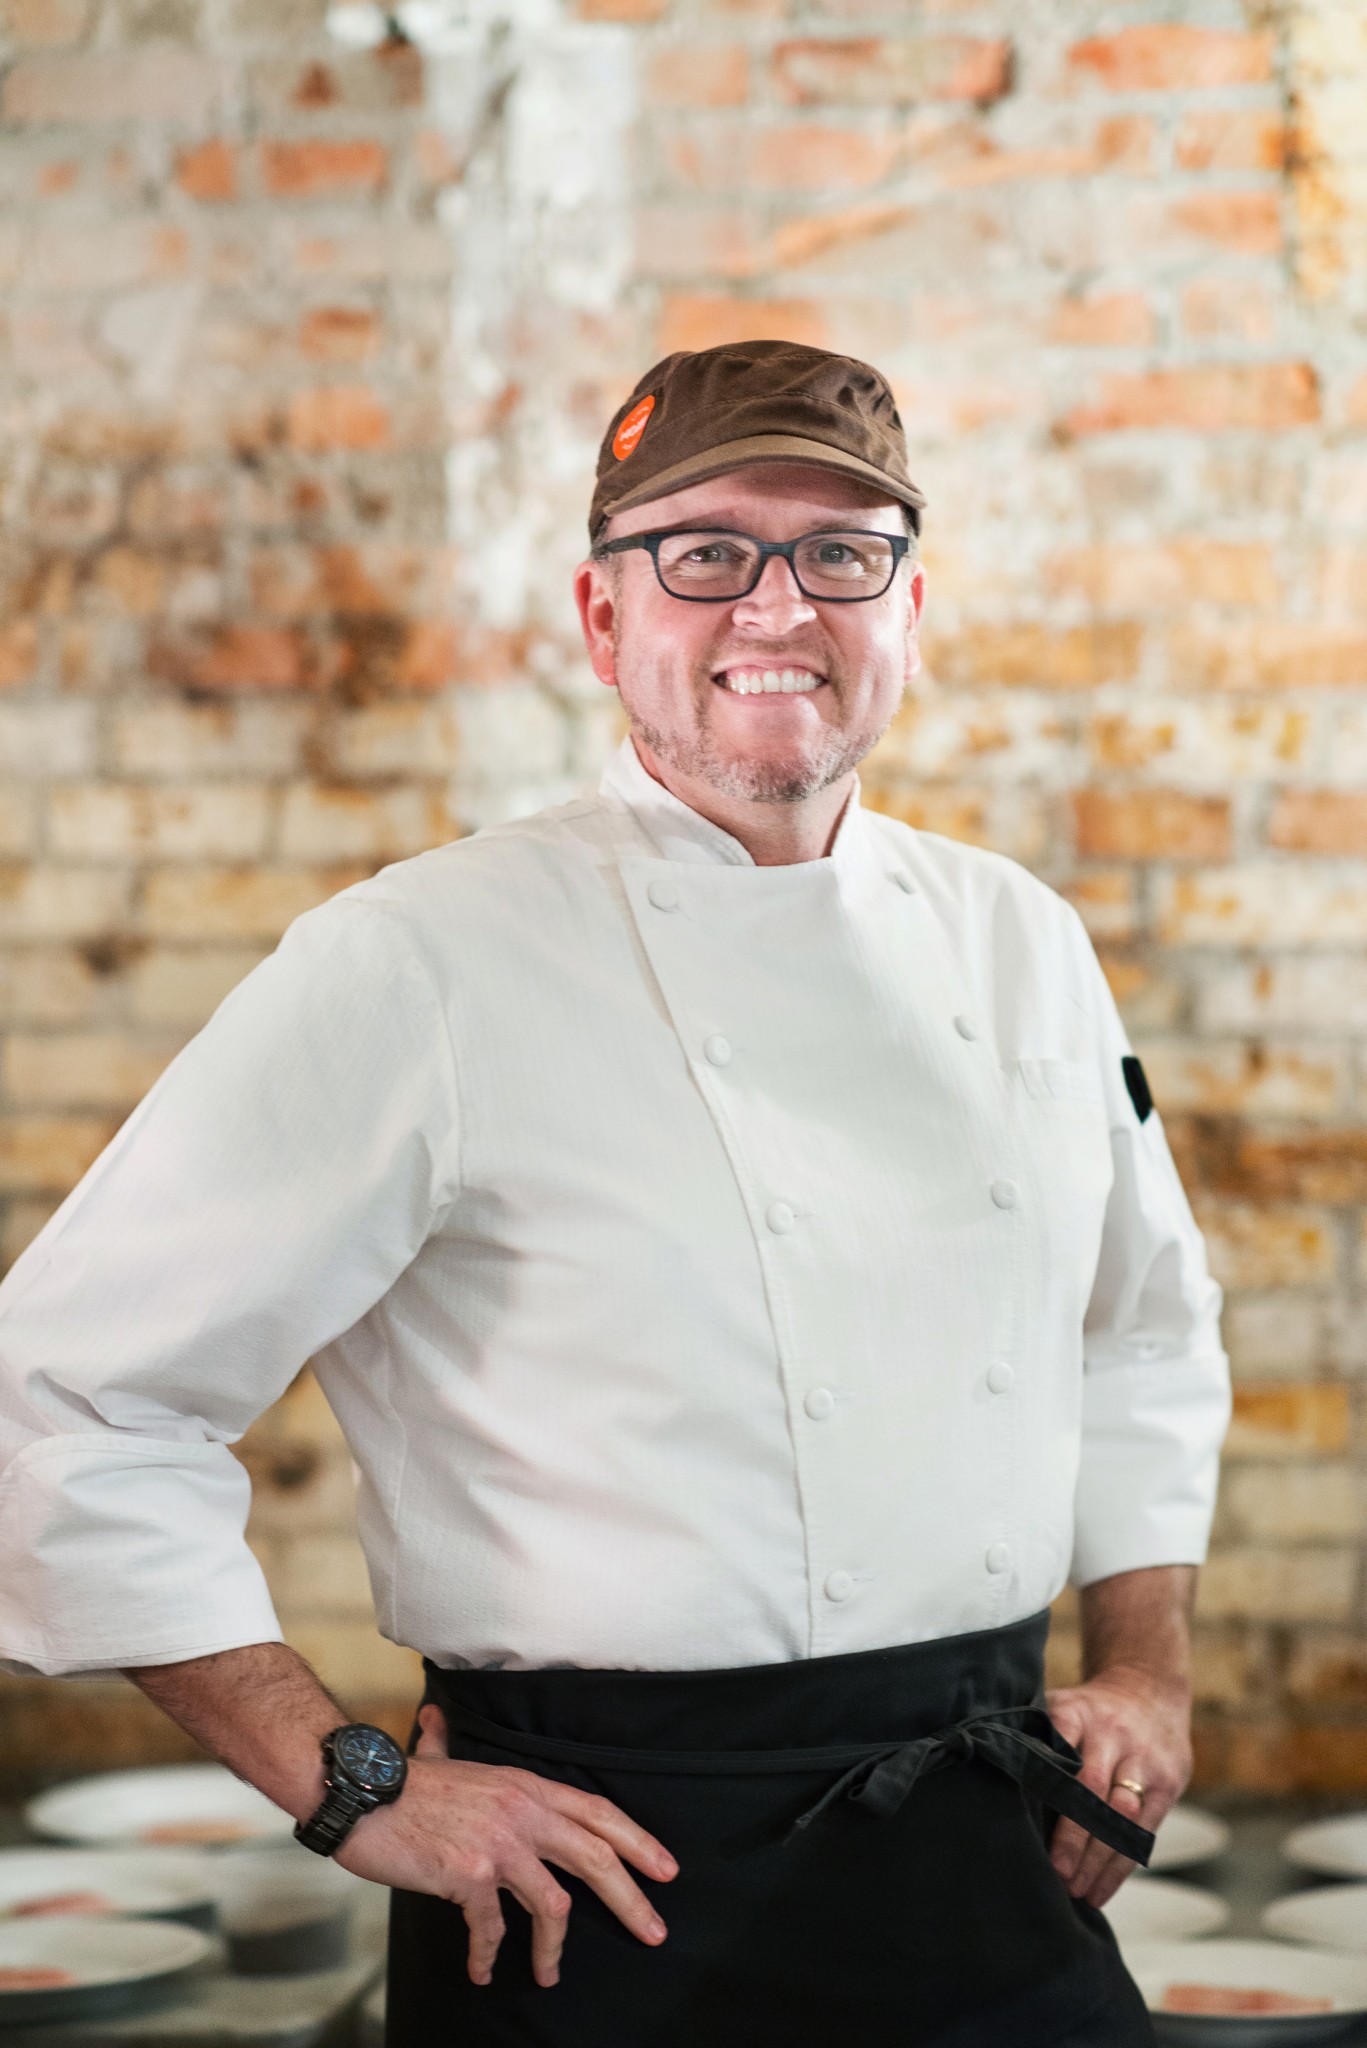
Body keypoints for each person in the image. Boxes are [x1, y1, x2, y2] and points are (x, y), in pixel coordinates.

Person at [0, 340, 1229, 2046]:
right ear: (602, 616)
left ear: (910, 606)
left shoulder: (1019, 938)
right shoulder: (420, 961)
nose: (777, 606)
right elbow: (66, 1395)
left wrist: (1150, 1670)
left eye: (840, 552)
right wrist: (348, 1783)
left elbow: (1144, 1331)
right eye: (707, 552)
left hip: (992, 1849)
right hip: (597, 1893)